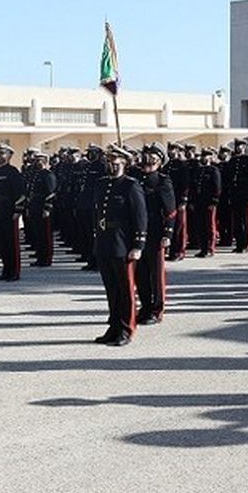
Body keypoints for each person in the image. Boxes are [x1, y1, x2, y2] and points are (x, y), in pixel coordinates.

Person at [92, 145, 148, 345]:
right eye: (109, 161)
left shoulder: (130, 186)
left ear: (124, 162)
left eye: (115, 162)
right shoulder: (101, 184)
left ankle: (126, 329)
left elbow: (140, 217)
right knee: (111, 289)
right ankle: (114, 326)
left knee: (125, 290)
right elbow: (97, 213)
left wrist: (138, 245)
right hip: (105, 242)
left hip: (122, 244)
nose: (111, 165)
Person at [136, 145, 175, 325]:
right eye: (146, 157)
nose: (147, 161)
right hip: (137, 231)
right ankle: (145, 306)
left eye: (152, 159)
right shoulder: (135, 178)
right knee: (141, 273)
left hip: (155, 231)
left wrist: (167, 232)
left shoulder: (162, 181)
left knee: (155, 274)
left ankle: (156, 309)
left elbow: (169, 211)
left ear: (159, 162)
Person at [0, 145, 26, 281]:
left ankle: (14, 271)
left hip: (9, 211)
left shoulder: (12, 171)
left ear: (9, 155)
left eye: (2, 153)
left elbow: (20, 194)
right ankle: (6, 270)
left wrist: (18, 210)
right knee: (3, 242)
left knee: (11, 243)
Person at [225, 139, 248, 253]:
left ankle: (246, 243)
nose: (239, 148)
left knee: (246, 221)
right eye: (237, 146)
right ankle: (239, 243)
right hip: (235, 195)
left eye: (241, 146)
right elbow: (229, 179)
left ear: (245, 147)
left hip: (246, 195)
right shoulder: (233, 160)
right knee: (237, 221)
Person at [190, 147, 222, 257]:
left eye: (206, 155)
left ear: (211, 157)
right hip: (199, 202)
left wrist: (214, 201)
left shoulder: (213, 170)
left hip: (209, 203)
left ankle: (210, 248)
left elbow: (217, 187)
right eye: (203, 155)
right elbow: (194, 187)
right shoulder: (198, 170)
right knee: (200, 226)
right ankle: (203, 248)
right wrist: (192, 201)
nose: (204, 158)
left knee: (210, 227)